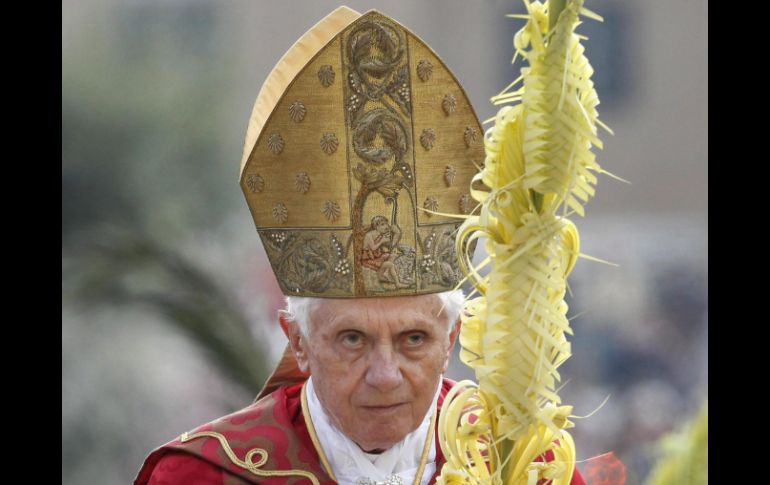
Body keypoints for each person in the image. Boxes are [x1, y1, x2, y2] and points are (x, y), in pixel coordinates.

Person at [135, 6, 586, 484]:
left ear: (451, 339)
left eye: (414, 339)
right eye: (352, 339)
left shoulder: (524, 463)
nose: (385, 375)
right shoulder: (199, 475)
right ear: (298, 342)